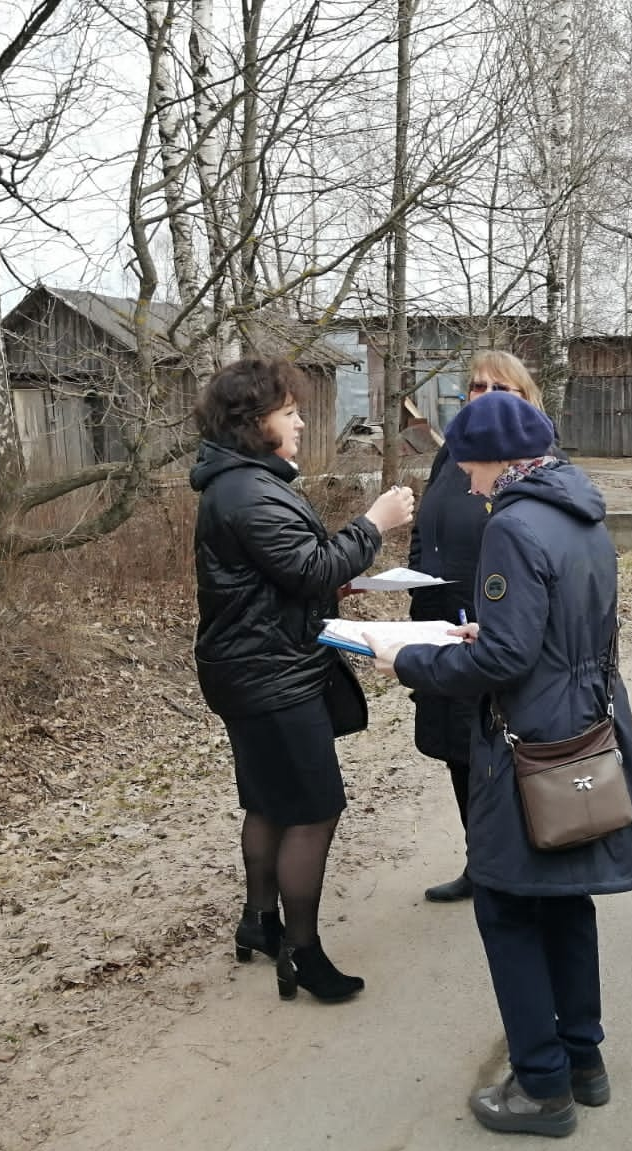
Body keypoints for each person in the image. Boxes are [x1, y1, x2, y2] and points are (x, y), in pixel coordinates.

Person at [369, 391, 632, 1138]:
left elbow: (508, 657)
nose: (463, 479)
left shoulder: (515, 524)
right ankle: (584, 1062)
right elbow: (551, 628)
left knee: (506, 901)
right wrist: (488, 635)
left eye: (466, 462)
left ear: (495, 457)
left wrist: (413, 660)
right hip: (587, 716)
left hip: (532, 736)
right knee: (565, 896)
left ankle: (541, 1087)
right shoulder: (579, 509)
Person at [191, 357, 415, 1004]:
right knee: (314, 812)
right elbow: (310, 567)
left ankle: (260, 921)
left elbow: (284, 573)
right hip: (273, 677)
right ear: (254, 422)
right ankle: (303, 952)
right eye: (289, 411)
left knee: (266, 801)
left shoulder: (241, 483)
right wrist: (375, 523)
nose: (301, 420)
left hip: (251, 668)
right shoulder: (248, 490)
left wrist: (329, 573)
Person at [407, 350, 547, 904]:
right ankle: (479, 860)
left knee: (498, 752)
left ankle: (518, 864)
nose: (482, 395)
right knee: (455, 749)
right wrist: (415, 581)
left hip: (492, 631)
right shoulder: (451, 458)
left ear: (524, 398)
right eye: (475, 386)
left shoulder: (532, 462)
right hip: (438, 623)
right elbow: (427, 527)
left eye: (499, 388)